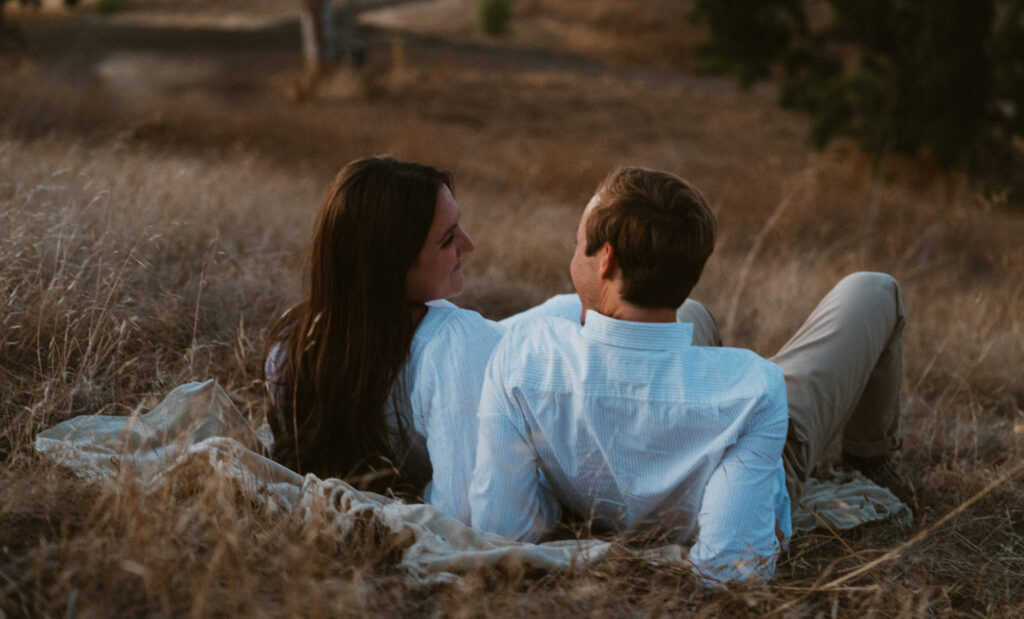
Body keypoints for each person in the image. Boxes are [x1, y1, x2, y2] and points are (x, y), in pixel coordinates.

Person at [469, 167, 906, 584]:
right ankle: (870, 459)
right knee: (873, 290)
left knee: (693, 318)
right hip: (739, 445)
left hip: (615, 475)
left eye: (576, 243)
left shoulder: (520, 356)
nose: (572, 257)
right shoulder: (756, 388)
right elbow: (733, 568)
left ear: (606, 260)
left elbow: (504, 528)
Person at [262, 155, 723, 526]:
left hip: (597, 332)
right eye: (447, 239)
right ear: (387, 266)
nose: (469, 245)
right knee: (726, 344)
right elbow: (471, 514)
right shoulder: (438, 344)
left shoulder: (298, 335)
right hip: (573, 342)